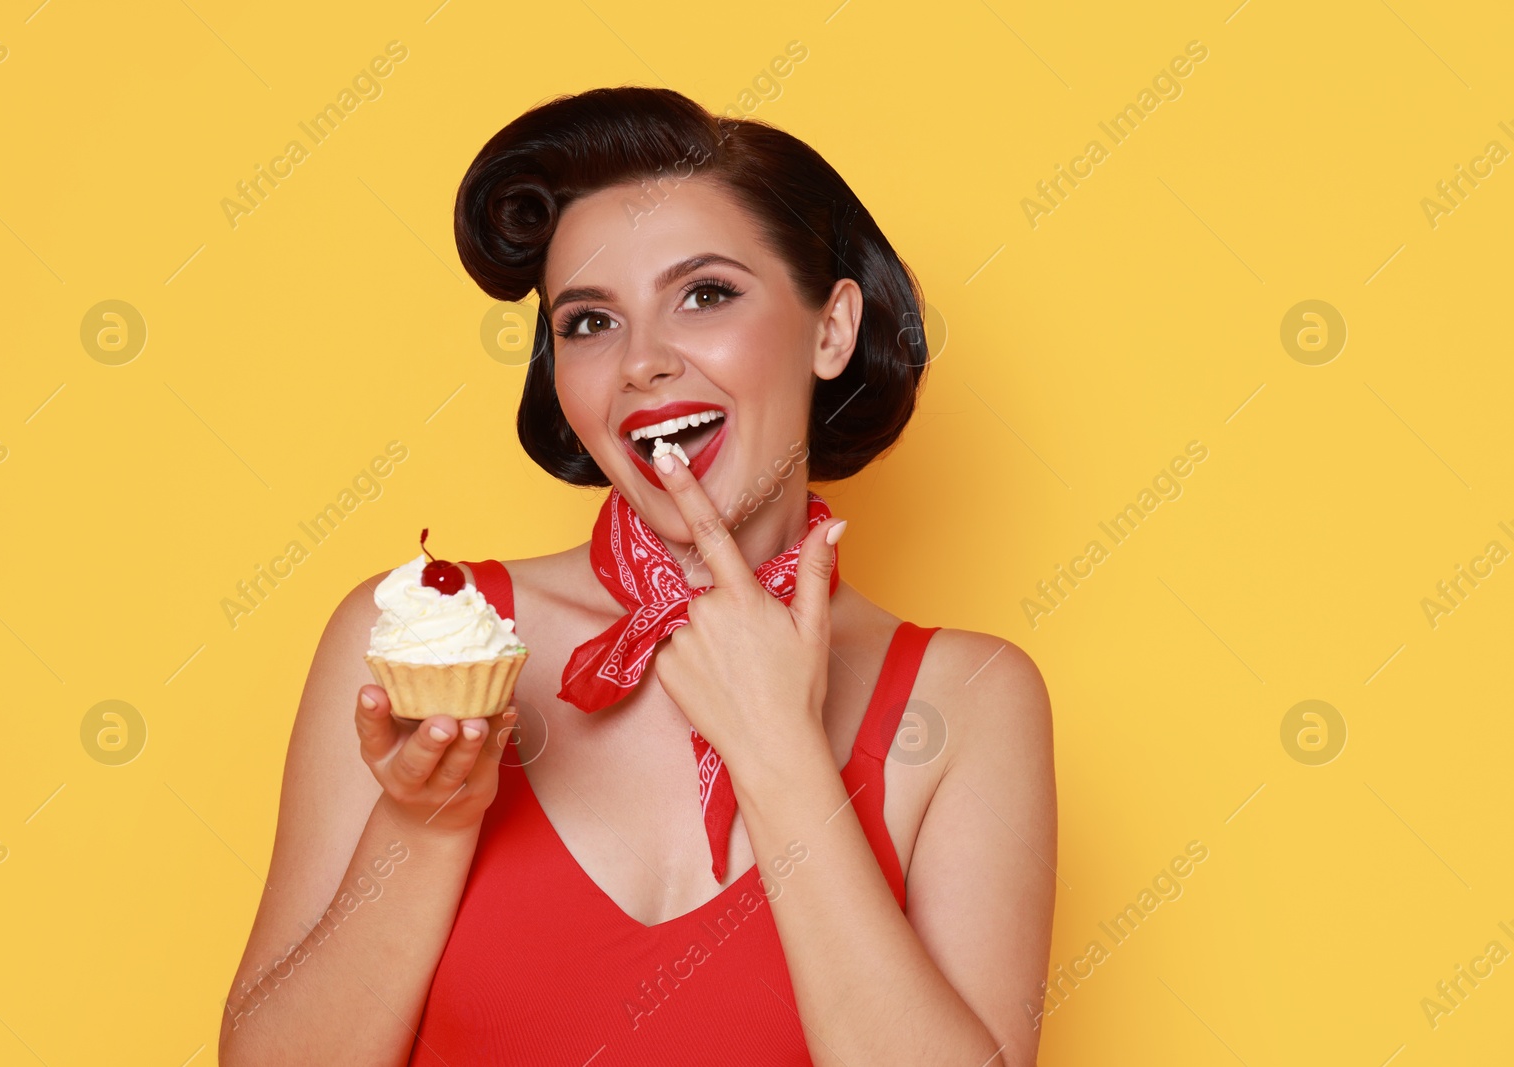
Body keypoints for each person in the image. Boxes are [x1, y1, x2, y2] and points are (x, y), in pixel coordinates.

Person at [219, 86, 1056, 1067]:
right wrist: (424, 819)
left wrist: (780, 754)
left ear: (830, 330)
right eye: (587, 323)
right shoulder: (421, 632)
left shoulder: (971, 698)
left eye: (705, 294)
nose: (642, 363)